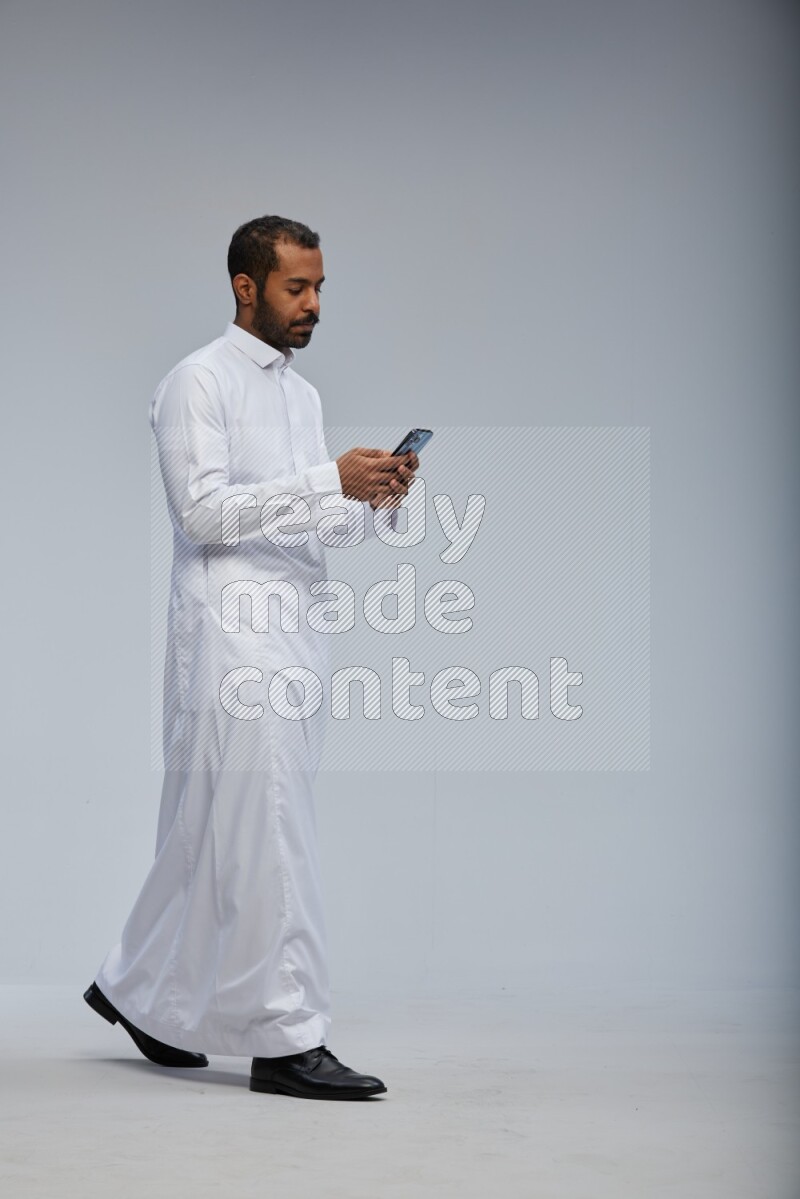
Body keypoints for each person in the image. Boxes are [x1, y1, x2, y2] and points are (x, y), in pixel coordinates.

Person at [83, 214, 418, 1100]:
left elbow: (310, 517)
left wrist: (371, 497)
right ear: (245, 287)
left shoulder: (299, 398)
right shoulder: (196, 382)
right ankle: (286, 1036)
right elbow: (200, 513)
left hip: (295, 633)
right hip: (229, 640)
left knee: (208, 831)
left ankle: (136, 990)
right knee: (269, 833)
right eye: (295, 288)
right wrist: (322, 482)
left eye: (319, 289)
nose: (313, 306)